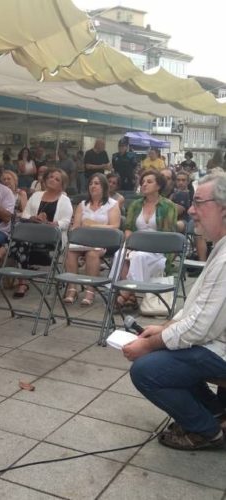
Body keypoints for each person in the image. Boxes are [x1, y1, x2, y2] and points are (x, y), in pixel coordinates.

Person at [123, 171, 226, 451]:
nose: (191, 210)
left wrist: (150, 344)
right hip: (217, 342)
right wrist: (164, 329)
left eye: (198, 202)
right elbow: (197, 306)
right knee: (169, 345)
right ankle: (216, 413)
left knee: (146, 370)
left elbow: (198, 328)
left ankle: (208, 432)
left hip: (221, 348)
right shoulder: (221, 246)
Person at [113, 169, 177, 309]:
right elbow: (128, 228)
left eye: (149, 182)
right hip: (136, 246)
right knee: (120, 254)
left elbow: (168, 235)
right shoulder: (136, 205)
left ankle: (124, 294)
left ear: (159, 186)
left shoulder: (168, 206)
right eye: (142, 182)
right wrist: (129, 245)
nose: (144, 185)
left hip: (158, 249)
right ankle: (131, 296)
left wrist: (144, 246)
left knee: (138, 257)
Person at [12, 168, 73, 298]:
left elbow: (66, 222)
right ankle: (23, 281)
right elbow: (25, 214)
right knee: (23, 242)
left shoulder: (65, 200)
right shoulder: (36, 195)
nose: (52, 180)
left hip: (51, 240)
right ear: (45, 179)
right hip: (31, 234)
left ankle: (22, 282)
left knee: (19, 244)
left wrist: (53, 224)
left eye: (57, 179)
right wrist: (33, 218)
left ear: (62, 185)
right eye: (50, 177)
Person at [64, 173, 121, 306]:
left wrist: (92, 225)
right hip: (83, 241)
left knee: (92, 254)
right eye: (91, 183)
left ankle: (90, 291)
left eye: (96, 183)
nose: (93, 186)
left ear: (104, 187)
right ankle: (72, 288)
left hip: (104, 242)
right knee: (69, 252)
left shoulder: (112, 204)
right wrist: (79, 229)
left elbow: (115, 226)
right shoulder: (83, 204)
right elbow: (76, 227)